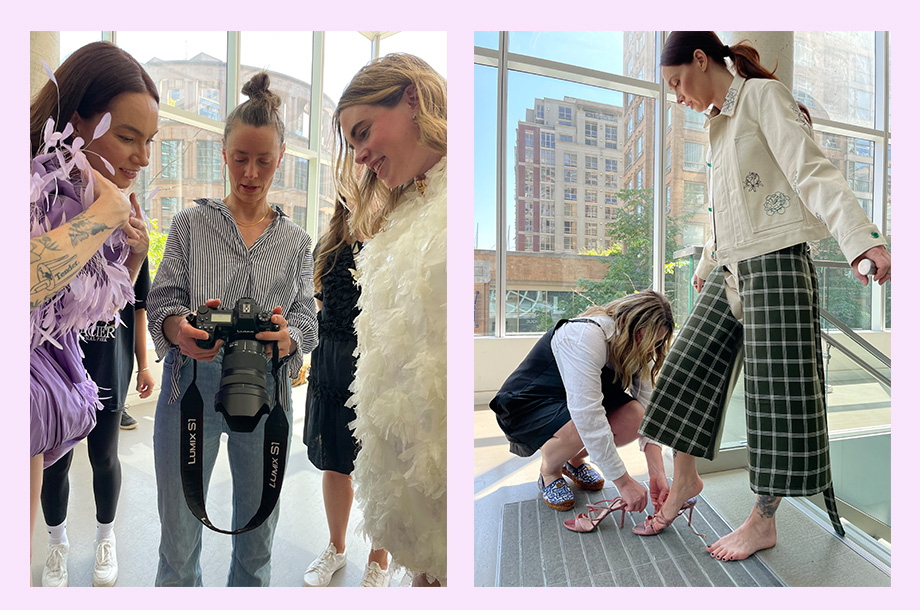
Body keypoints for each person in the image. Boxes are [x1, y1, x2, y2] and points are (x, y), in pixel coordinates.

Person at [635, 32, 891, 561]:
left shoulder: (761, 99)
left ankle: (763, 521)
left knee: (777, 400)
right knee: (685, 369)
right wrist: (708, 263)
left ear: (701, 60)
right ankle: (686, 481)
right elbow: (724, 209)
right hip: (731, 267)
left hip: (777, 264)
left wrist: (861, 241)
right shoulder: (716, 124)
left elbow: (811, 170)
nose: (678, 96)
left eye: (678, 82)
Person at [146, 72, 317, 587]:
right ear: (223, 154)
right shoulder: (190, 225)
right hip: (189, 385)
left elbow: (308, 316)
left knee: (257, 539)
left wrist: (290, 338)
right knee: (178, 540)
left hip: (265, 386)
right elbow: (161, 300)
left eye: (264, 160)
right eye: (240, 158)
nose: (250, 172)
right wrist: (180, 329)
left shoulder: (296, 242)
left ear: (281, 158)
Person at [30, 41, 156, 585]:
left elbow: (81, 314)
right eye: (128, 136)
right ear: (75, 118)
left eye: (149, 141)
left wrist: (131, 256)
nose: (143, 158)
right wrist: (106, 212)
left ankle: (101, 539)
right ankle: (59, 544)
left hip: (51, 390)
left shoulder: (94, 201)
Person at [334, 53, 446, 587]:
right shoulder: (400, 208)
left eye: (363, 132)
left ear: (410, 97)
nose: (359, 156)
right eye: (351, 144)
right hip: (403, 474)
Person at [490, 291, 675, 517]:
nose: (649, 349)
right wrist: (624, 482)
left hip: (569, 407)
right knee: (581, 426)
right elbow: (587, 415)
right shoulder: (584, 335)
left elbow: (649, 414)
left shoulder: (638, 349)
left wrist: (658, 475)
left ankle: (573, 460)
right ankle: (549, 472)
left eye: (655, 343)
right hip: (528, 404)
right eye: (645, 339)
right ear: (626, 323)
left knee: (638, 415)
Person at [40, 259, 155, 587]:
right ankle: (56, 543)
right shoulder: (58, 229)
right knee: (56, 464)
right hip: (60, 368)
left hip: (110, 363)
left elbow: (138, 307)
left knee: (104, 457)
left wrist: (144, 365)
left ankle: (106, 538)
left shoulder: (132, 238)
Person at [301, 197, 390, 587]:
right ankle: (336, 549)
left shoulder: (394, 239)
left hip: (378, 367)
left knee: (380, 467)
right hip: (330, 366)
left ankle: (379, 561)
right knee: (335, 461)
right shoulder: (328, 244)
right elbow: (318, 305)